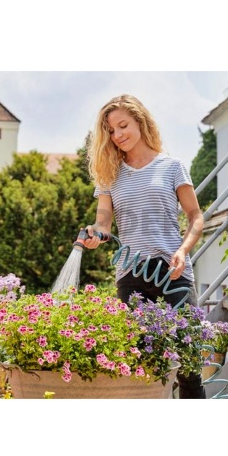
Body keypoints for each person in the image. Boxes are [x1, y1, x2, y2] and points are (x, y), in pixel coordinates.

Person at [83, 94, 205, 399]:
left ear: (140, 121)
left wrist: (183, 250)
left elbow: (196, 217)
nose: (118, 135)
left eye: (123, 125)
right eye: (111, 130)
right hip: (132, 276)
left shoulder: (172, 167)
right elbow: (103, 223)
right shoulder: (110, 175)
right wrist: (95, 234)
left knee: (189, 367)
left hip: (173, 273)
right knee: (140, 370)